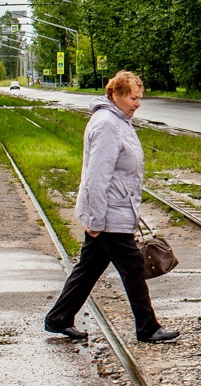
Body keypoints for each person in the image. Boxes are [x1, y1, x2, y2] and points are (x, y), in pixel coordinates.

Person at [44, 70, 177, 344]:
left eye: (140, 98)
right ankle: (147, 327)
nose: (138, 103)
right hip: (108, 214)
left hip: (116, 208)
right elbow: (97, 176)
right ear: (116, 95)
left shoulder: (119, 121)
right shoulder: (106, 124)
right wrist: (95, 219)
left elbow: (122, 172)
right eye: (133, 98)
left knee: (88, 269)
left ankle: (58, 318)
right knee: (133, 269)